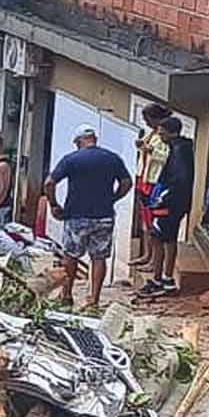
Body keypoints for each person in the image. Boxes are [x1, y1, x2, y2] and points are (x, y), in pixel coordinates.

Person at [48, 125, 133, 312]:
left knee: (71, 255)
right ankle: (93, 299)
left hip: (76, 216)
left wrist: (54, 204)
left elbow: (50, 182)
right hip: (104, 216)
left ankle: (66, 295)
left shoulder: (71, 159)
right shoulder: (112, 158)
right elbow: (127, 182)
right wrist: (113, 198)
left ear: (79, 141)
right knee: (99, 257)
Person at [139, 115, 194, 296]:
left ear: (172, 133)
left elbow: (179, 179)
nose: (161, 137)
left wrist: (163, 198)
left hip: (170, 203)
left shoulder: (179, 152)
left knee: (158, 238)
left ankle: (160, 280)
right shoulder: (180, 148)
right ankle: (165, 278)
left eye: (163, 134)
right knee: (167, 238)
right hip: (175, 202)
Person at [131, 103, 172, 278]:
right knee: (146, 221)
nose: (146, 123)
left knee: (153, 223)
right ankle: (147, 255)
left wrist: (151, 150)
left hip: (155, 181)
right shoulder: (152, 133)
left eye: (148, 119)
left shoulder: (164, 135)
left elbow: (167, 157)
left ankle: (154, 261)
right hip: (145, 178)